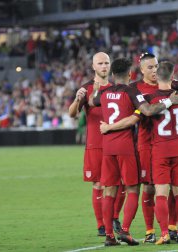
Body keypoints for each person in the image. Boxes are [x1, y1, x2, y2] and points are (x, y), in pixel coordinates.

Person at [94, 58, 178, 246]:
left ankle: (109, 235)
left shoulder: (103, 93)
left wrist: (95, 87)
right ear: (130, 74)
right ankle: (125, 230)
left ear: (112, 75)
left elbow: (91, 99)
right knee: (133, 188)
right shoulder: (132, 91)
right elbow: (148, 111)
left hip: (107, 146)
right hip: (126, 145)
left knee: (109, 190)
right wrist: (170, 101)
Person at [68, 52, 125, 237]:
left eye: (107, 63)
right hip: (95, 145)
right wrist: (77, 99)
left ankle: (114, 217)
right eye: (100, 63)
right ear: (93, 66)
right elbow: (72, 114)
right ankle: (101, 224)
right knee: (99, 185)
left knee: (121, 183)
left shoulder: (116, 87)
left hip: (116, 143)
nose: (104, 66)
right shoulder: (85, 89)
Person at [145, 61, 178, 244]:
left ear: (157, 76)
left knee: (161, 194)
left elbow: (148, 114)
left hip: (160, 150)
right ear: (173, 75)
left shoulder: (150, 98)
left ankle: (164, 233)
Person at [129, 52, 159, 243]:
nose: (154, 70)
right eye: (150, 67)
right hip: (146, 143)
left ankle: (172, 228)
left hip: (168, 143)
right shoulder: (134, 88)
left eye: (156, 66)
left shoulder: (167, 83)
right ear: (141, 70)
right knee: (148, 187)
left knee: (170, 188)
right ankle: (149, 230)